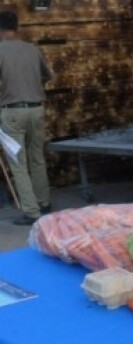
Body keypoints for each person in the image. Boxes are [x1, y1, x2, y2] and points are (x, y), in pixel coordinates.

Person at [0, 10, 52, 226]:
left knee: (18, 164)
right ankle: (44, 203)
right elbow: (47, 76)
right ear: (16, 27)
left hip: (12, 112)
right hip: (37, 110)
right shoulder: (32, 49)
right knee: (37, 158)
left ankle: (32, 212)